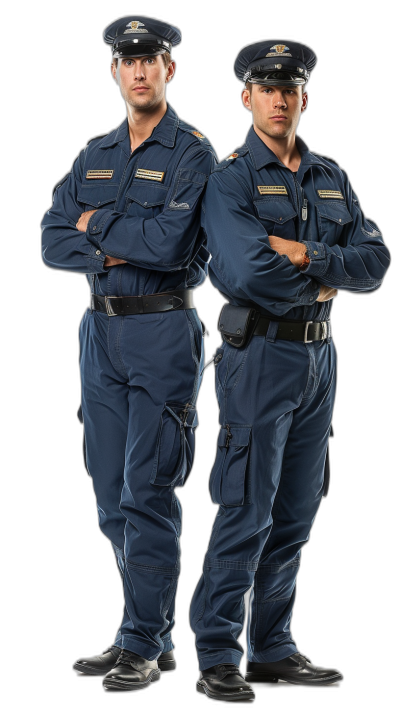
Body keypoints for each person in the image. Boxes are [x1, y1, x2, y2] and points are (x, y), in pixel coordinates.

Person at [189, 38, 391, 704]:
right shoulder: (230, 179)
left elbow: (377, 259)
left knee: (297, 511)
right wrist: (331, 271)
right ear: (247, 97)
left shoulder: (330, 174)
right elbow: (247, 271)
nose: (280, 99)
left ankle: (272, 647)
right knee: (246, 505)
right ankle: (219, 651)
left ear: (305, 96)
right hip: (260, 358)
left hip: (319, 359)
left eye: (291, 88)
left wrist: (305, 255)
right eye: (267, 88)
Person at [41, 14, 216, 694]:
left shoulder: (194, 153)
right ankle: (147, 631)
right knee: (110, 496)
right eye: (128, 59)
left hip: (162, 331)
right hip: (99, 333)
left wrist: (95, 224)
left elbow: (172, 248)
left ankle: (142, 643)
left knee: (147, 489)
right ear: (114, 71)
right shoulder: (95, 152)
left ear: (170, 69)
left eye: (153, 58)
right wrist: (114, 236)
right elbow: (53, 238)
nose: (140, 69)